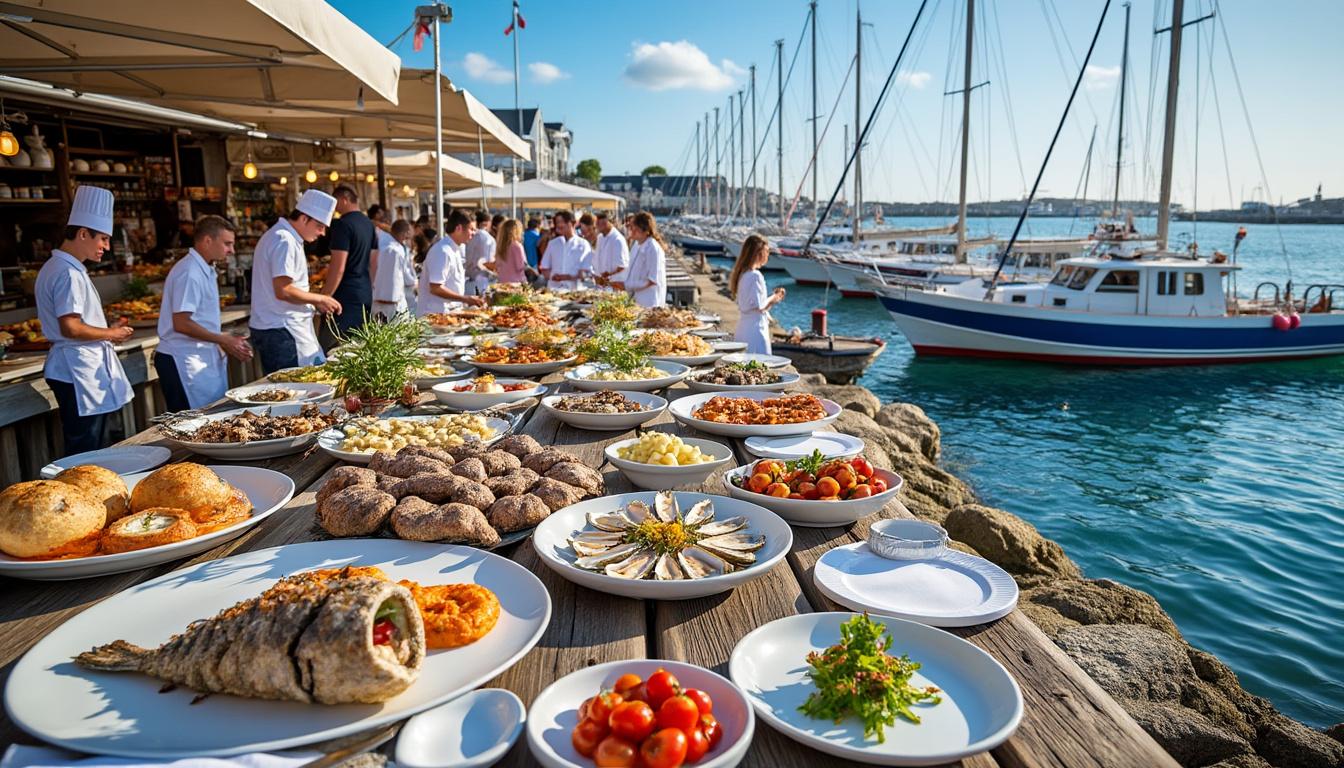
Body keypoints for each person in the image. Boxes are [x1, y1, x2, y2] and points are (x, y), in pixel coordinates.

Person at [36, 186, 134, 455]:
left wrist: (106, 330)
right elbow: (71, 327)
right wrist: (111, 334)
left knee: (94, 445)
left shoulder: (60, 267)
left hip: (78, 369)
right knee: (86, 449)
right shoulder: (67, 273)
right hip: (76, 372)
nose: (106, 247)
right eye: (102, 238)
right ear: (82, 233)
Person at [155, 215, 253, 411]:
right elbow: (181, 322)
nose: (231, 250)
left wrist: (223, 339)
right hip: (182, 359)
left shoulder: (205, 267)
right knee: (189, 426)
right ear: (208, 241)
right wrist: (222, 339)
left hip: (199, 357)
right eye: (227, 244)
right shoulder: (189, 271)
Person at [249, 189, 342, 375]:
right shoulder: (284, 239)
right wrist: (319, 299)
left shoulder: (284, 236)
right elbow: (283, 290)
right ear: (304, 218)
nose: (322, 233)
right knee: (293, 391)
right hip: (281, 329)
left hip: (281, 327)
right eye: (320, 226)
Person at [319, 186, 376, 348]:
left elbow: (338, 266)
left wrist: (325, 297)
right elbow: (374, 261)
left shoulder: (342, 225)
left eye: (335, 203)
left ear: (344, 199)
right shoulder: (368, 224)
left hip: (344, 295)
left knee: (335, 349)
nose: (334, 208)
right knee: (359, 348)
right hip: (364, 290)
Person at [419, 209, 485, 314]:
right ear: (458, 228)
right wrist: (465, 299)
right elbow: (435, 288)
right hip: (435, 315)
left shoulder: (455, 248)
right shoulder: (443, 251)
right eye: (471, 229)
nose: (474, 233)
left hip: (448, 312)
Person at [730, 234, 786, 354]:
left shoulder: (742, 274)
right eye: (767, 252)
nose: (768, 255)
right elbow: (760, 306)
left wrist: (772, 299)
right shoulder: (755, 276)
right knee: (760, 366)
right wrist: (774, 298)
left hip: (743, 328)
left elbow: (755, 306)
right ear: (759, 253)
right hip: (755, 331)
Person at [373, 220, 419, 319]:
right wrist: (415, 282)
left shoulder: (382, 244)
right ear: (404, 234)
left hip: (377, 299)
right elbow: (406, 276)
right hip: (394, 302)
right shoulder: (396, 250)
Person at [538, 211, 592, 290]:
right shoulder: (552, 244)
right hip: (554, 291)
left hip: (574, 291)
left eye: (561, 222)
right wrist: (553, 276)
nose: (558, 225)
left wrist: (570, 277)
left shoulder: (583, 244)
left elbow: (587, 272)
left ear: (571, 223)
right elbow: (544, 267)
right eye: (557, 222)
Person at [624, 211, 667, 308]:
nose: (631, 231)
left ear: (645, 230)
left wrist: (628, 285)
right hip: (636, 300)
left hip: (649, 302)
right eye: (631, 228)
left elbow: (652, 280)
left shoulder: (653, 248)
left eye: (635, 228)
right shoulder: (636, 245)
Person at [592, 211, 629, 290]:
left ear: (608, 222)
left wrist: (607, 275)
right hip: (600, 286)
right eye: (597, 223)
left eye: (601, 223)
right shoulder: (600, 238)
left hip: (615, 286)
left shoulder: (618, 239)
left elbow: (622, 266)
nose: (598, 226)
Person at [464, 210, 495, 296]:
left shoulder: (470, 236)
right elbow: (487, 263)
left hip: (470, 281)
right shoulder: (488, 238)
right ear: (487, 223)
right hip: (483, 281)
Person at [488, 218, 528, 285]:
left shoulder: (500, 246)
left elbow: (497, 265)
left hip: (502, 281)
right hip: (517, 282)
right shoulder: (517, 246)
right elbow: (520, 267)